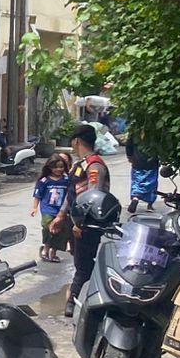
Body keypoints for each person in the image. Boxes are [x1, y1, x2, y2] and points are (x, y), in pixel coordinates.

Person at [56, 124, 111, 318]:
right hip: (76, 222)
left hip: (88, 225)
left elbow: (93, 198)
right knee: (82, 263)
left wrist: (80, 223)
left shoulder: (94, 165)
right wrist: (61, 215)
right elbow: (71, 193)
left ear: (76, 141)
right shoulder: (81, 165)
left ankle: (73, 302)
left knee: (83, 265)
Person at [29, 154, 73, 263]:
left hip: (61, 211)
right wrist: (35, 208)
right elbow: (37, 195)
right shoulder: (44, 181)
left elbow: (71, 194)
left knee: (60, 231)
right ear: (49, 168)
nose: (58, 169)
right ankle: (45, 249)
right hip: (48, 209)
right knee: (47, 228)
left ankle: (54, 252)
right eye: (55, 167)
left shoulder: (67, 180)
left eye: (61, 167)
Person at [126, 135, 161, 214]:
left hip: (137, 161)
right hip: (152, 161)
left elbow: (129, 144)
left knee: (136, 181)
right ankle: (150, 205)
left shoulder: (134, 130)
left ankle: (135, 197)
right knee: (152, 182)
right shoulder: (154, 130)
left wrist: (129, 156)